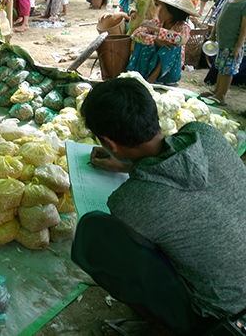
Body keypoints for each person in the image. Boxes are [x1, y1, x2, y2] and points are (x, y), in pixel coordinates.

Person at [73, 77, 246, 336]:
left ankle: (168, 326)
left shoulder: (130, 201)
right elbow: (177, 165)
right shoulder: (205, 134)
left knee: (97, 237)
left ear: (110, 143)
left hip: (224, 318)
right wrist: (127, 164)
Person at [127, 0, 195, 85]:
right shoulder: (156, 22)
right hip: (151, 62)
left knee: (173, 46)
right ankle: (140, 74)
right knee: (143, 41)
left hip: (169, 70)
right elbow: (135, 34)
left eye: (162, 9)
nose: (158, 11)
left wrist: (158, 30)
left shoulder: (183, 27)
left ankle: (151, 79)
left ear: (172, 13)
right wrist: (155, 40)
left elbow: (181, 39)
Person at [201, 0, 246, 105]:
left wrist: (238, 46)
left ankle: (221, 95)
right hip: (222, 43)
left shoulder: (244, 3)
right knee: (221, 68)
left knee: (227, 71)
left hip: (233, 45)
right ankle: (216, 91)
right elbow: (220, 18)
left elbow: (244, 27)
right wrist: (213, 34)